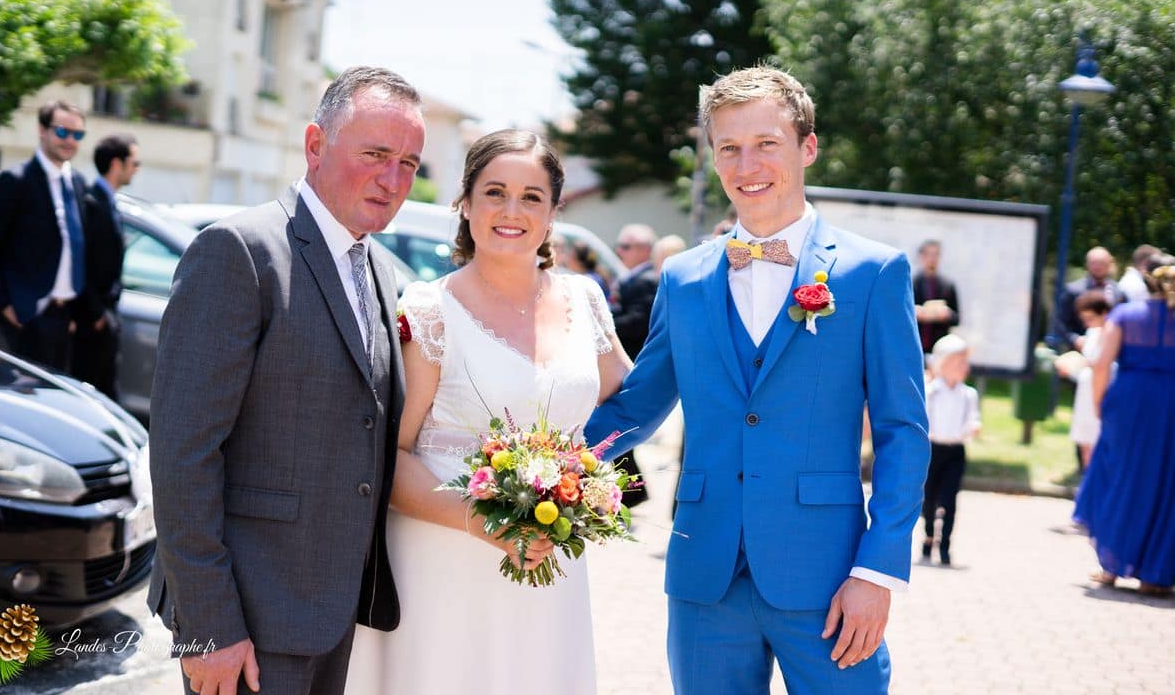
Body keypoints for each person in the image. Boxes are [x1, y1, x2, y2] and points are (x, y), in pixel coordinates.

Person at [584, 66, 930, 694]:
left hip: (829, 578)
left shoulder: (872, 273)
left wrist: (878, 572)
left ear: (808, 147)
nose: (748, 164)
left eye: (767, 143)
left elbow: (903, 431)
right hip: (704, 576)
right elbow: (639, 404)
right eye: (729, 147)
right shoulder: (683, 279)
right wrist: (543, 467)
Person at [146, 67, 425, 695]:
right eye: (376, 154)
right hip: (244, 623)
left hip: (334, 614)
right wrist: (207, 627)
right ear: (316, 145)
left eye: (409, 162)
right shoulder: (238, 251)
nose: (394, 179)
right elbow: (181, 455)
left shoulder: (379, 268)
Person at [344, 129, 633, 694]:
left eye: (531, 197)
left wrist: (588, 484)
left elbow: (629, 401)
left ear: (553, 212)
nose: (511, 210)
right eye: (494, 191)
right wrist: (487, 523)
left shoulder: (587, 300)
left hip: (552, 556)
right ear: (466, 204)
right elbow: (387, 457)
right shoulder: (430, 310)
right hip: (445, 559)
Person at [1073, 254, 1175, 597]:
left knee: (1119, 476)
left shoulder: (1125, 314)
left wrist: (1101, 403)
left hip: (1130, 402)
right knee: (1165, 482)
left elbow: (1101, 363)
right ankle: (1154, 574)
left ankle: (1111, 566)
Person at [0, 100, 89, 370]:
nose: (69, 140)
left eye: (78, 134)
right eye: (62, 132)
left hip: (65, 317)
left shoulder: (77, 183)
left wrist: (76, 312)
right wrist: (5, 305)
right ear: (42, 130)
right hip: (26, 314)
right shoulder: (16, 181)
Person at [71, 133, 140, 400]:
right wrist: (97, 313)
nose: (137, 169)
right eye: (134, 162)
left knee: (107, 393)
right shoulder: (91, 203)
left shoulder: (108, 202)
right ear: (116, 164)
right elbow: (80, 262)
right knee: (93, 396)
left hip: (105, 318)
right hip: (92, 321)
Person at [608, 222, 659, 507]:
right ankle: (631, 493)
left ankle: (632, 493)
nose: (619, 251)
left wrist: (604, 325)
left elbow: (640, 322)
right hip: (622, 364)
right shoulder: (633, 278)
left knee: (622, 433)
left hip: (632, 364)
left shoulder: (648, 280)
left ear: (643, 250)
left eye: (626, 246)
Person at [920, 334, 981, 566]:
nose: (963, 367)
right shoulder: (931, 391)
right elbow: (925, 418)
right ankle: (928, 536)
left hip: (955, 451)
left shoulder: (968, 394)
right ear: (943, 364)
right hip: (933, 449)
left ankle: (945, 545)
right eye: (958, 362)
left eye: (965, 362)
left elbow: (972, 417)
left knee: (950, 499)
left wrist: (972, 427)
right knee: (930, 497)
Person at [1057, 291, 1112, 469]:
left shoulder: (1113, 334)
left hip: (1103, 390)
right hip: (1086, 388)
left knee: (1099, 438)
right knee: (1085, 439)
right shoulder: (1092, 332)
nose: (1087, 323)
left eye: (1090, 318)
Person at [1058, 246, 1125, 351]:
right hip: (1080, 351)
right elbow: (1060, 322)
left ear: (1109, 265)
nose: (1098, 267)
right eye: (1094, 263)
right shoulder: (1072, 290)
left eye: (1102, 263)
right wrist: (1074, 339)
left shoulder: (1119, 293)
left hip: (1110, 351)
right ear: (1087, 264)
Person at [912, 239, 960, 354]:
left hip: (939, 346)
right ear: (921, 257)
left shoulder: (948, 285)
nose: (932, 259)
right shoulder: (912, 283)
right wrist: (916, 312)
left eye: (936, 255)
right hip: (916, 343)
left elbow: (956, 318)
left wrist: (946, 314)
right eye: (929, 254)